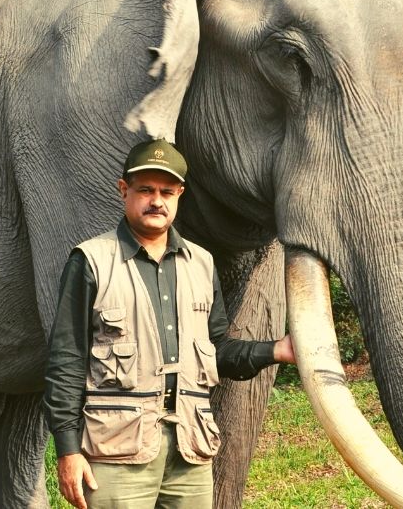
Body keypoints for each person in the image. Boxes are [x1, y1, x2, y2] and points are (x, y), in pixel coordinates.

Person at [43, 139, 295, 509]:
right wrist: (68, 450)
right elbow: (66, 361)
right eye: (145, 189)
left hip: (190, 450)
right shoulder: (91, 260)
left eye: (166, 191)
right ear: (123, 190)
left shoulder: (201, 264)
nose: (156, 201)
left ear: (179, 195)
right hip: (116, 453)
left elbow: (218, 350)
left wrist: (277, 350)